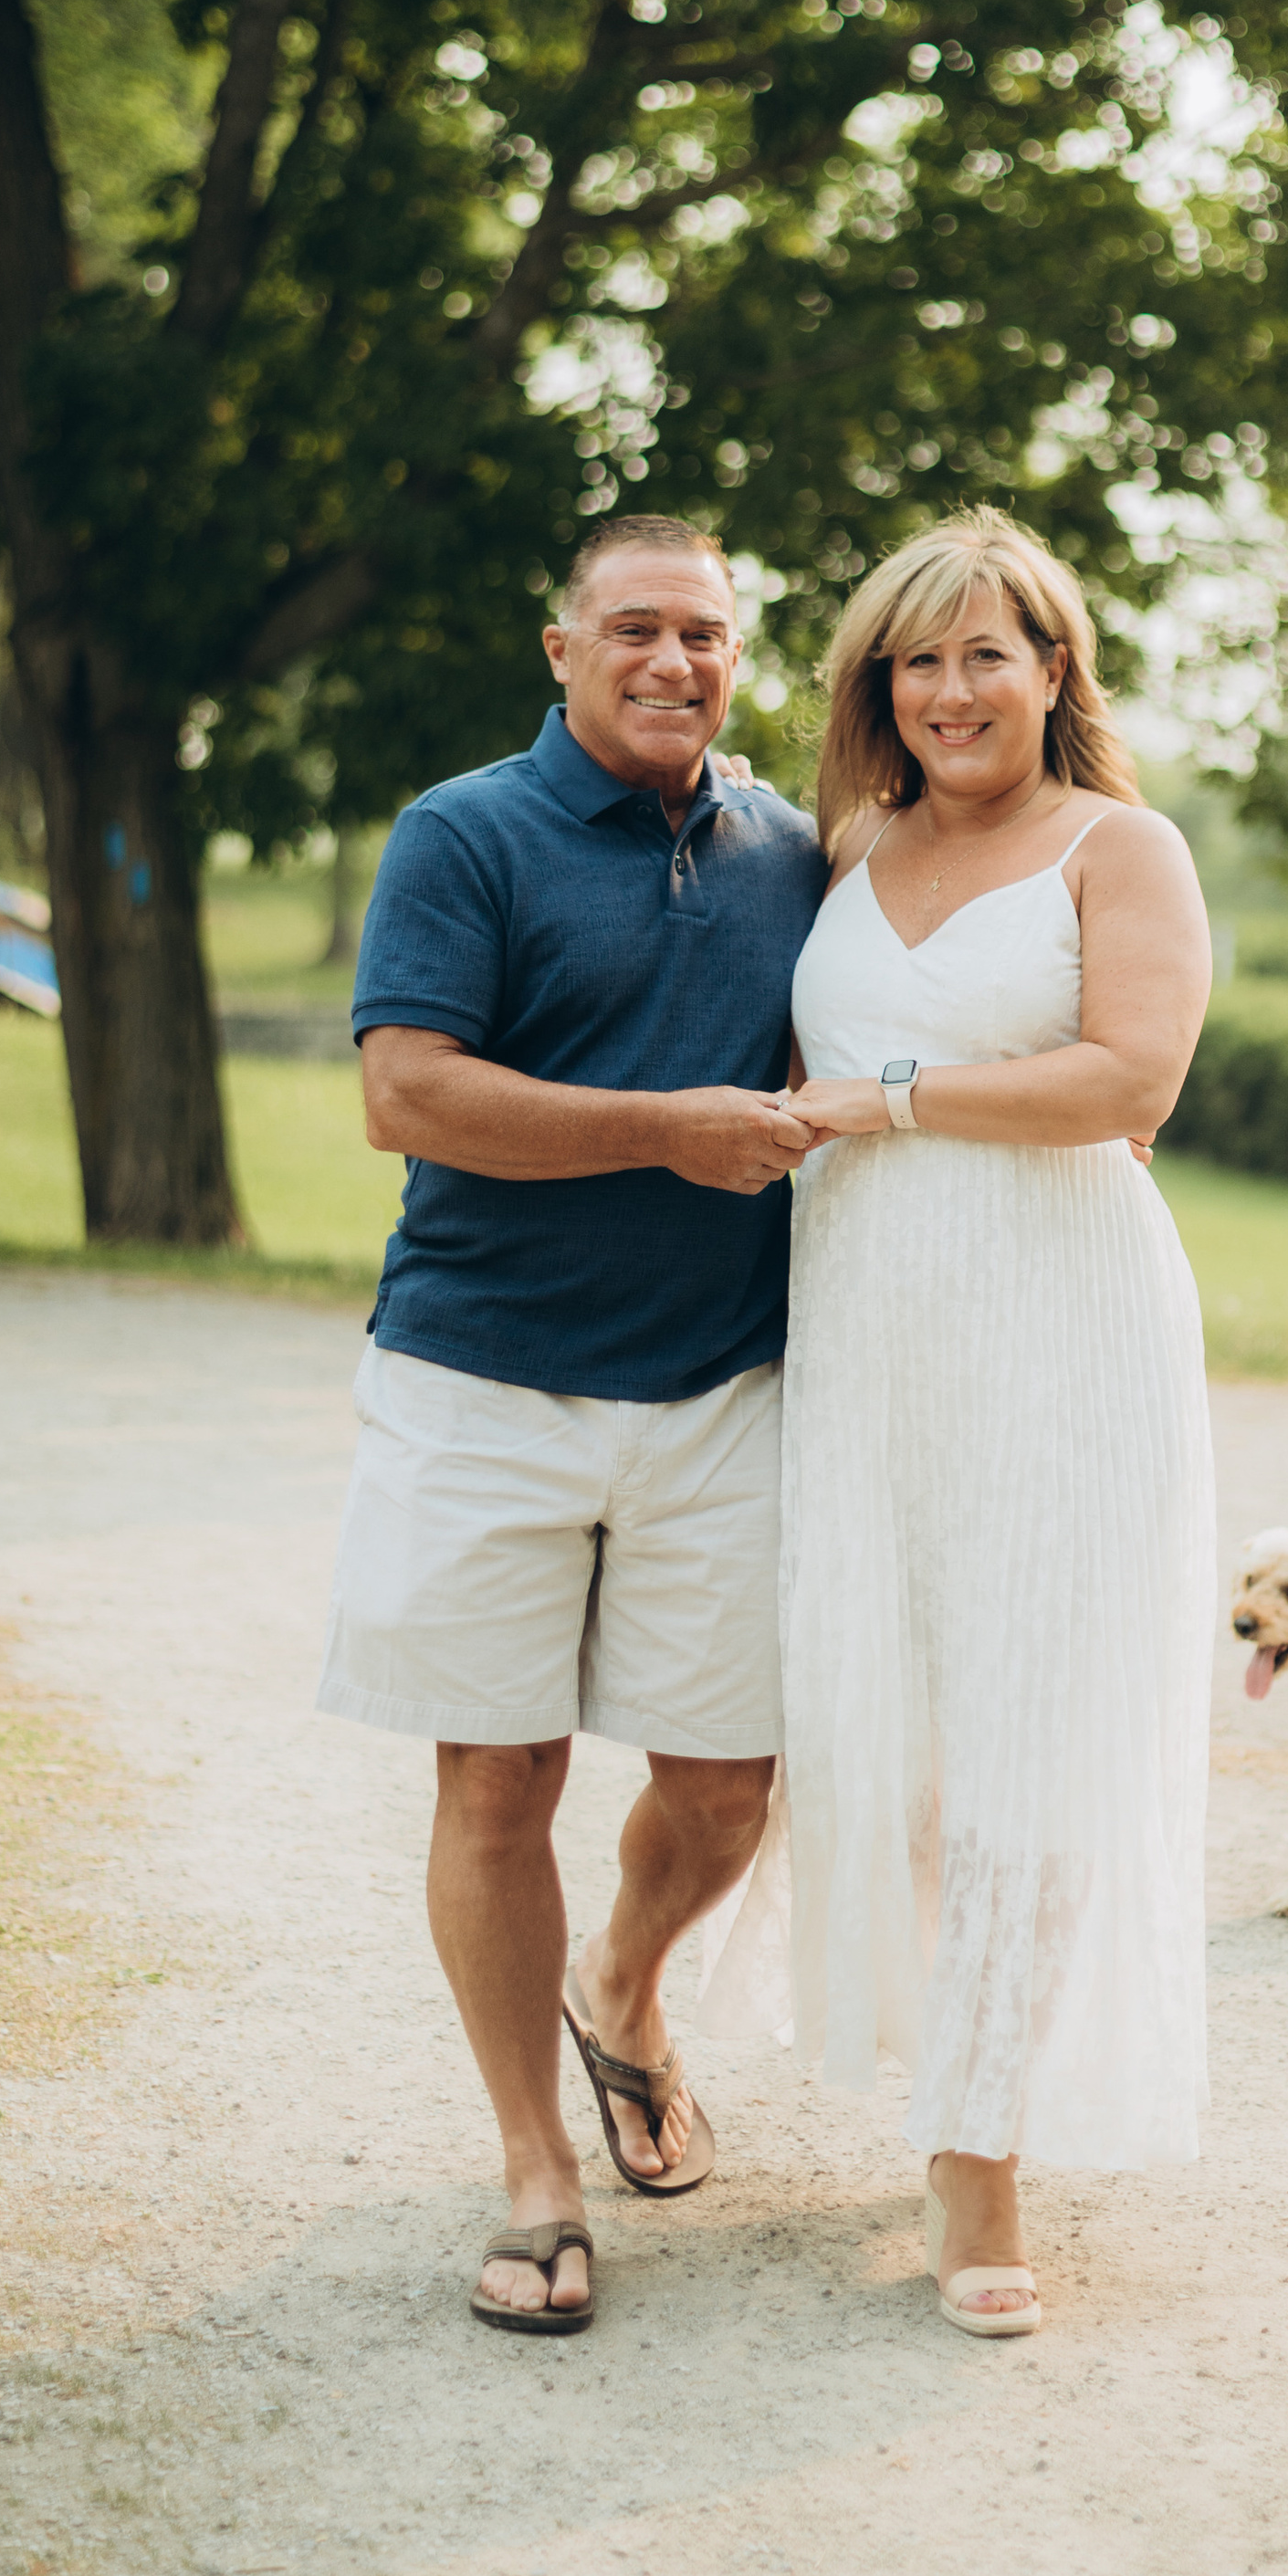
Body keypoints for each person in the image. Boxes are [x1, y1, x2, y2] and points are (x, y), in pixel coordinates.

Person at [315, 518, 826, 2332]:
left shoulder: (794, 849)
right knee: (497, 1776)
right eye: (634, 630)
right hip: (484, 1383)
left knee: (725, 1785)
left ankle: (622, 1983)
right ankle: (534, 2168)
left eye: (704, 635)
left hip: (721, 1390)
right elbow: (406, 1094)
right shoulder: (462, 833)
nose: (672, 662)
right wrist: (666, 1126)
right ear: (559, 646)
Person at [770, 508, 1217, 2335]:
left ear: (1052, 670)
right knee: (893, 1734)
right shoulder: (844, 847)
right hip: (867, 1338)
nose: (951, 689)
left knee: (1030, 1747)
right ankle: (911, 2064)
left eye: (986, 653)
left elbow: (1128, 1081)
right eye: (917, 659)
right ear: (881, 688)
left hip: (1062, 1336)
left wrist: (880, 1098)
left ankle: (977, 2159)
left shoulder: (1122, 849)